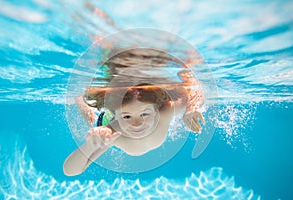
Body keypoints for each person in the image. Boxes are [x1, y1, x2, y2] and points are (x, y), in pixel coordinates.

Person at [63, 49, 205, 176]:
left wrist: (191, 109)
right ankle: (79, 98)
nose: (137, 123)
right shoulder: (110, 133)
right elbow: (70, 171)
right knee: (90, 120)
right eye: (127, 116)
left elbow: (194, 91)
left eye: (144, 114)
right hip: (104, 122)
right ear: (116, 115)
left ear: (156, 110)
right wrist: (90, 146)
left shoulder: (166, 110)